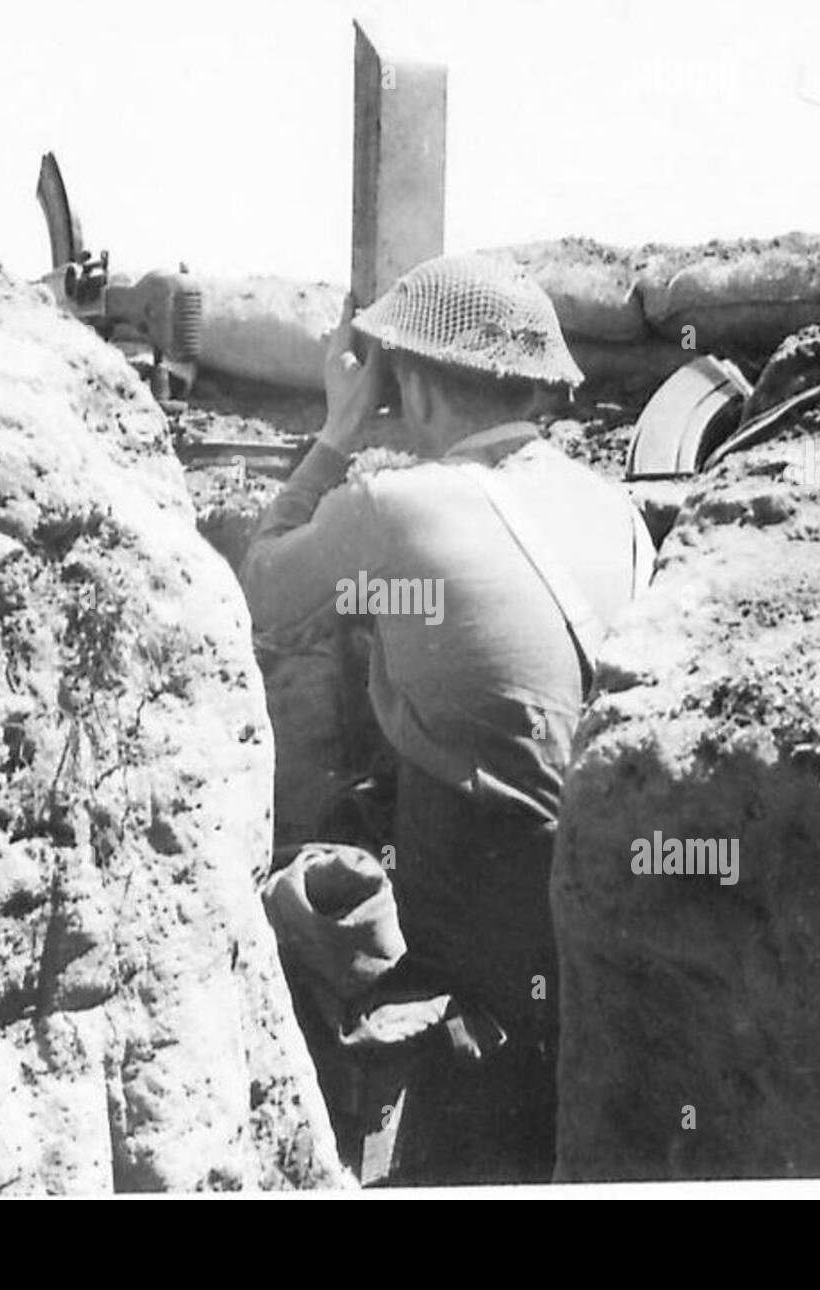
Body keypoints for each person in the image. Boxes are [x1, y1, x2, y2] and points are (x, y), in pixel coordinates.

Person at [241, 254, 654, 1179]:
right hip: (602, 889)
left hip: (478, 911)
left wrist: (338, 432)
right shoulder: (616, 512)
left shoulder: (393, 505)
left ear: (414, 383)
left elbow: (263, 588)